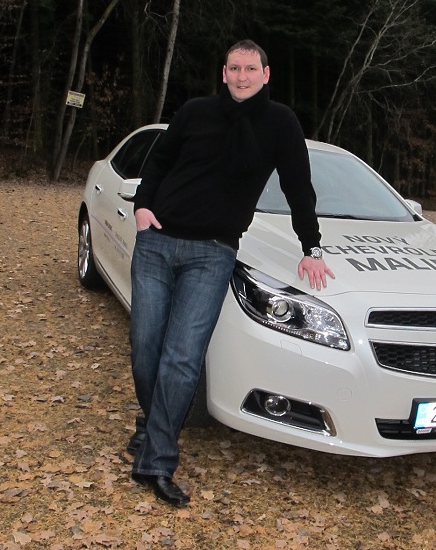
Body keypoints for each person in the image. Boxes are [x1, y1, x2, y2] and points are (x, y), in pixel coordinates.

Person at [127, 40, 334, 506]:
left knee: (182, 357)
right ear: (223, 73)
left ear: (266, 74)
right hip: (157, 242)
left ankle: (157, 460)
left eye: (250, 68)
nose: (242, 76)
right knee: (144, 347)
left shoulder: (280, 123)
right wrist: (142, 206)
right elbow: (158, 161)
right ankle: (152, 424)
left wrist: (312, 247)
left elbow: (298, 186)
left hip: (212, 253)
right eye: (234, 68)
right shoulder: (195, 112)